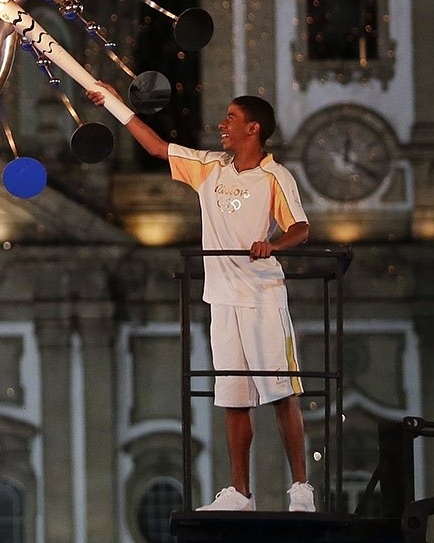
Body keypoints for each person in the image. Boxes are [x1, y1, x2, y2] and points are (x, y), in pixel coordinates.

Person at [90, 86, 316, 513]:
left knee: (282, 392)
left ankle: (301, 487)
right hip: (222, 299)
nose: (221, 125)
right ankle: (240, 493)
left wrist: (274, 245)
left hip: (264, 297)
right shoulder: (211, 167)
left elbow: (301, 228)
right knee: (233, 398)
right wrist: (114, 104)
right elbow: (157, 147)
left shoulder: (274, 176)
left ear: (254, 128)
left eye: (231, 118)